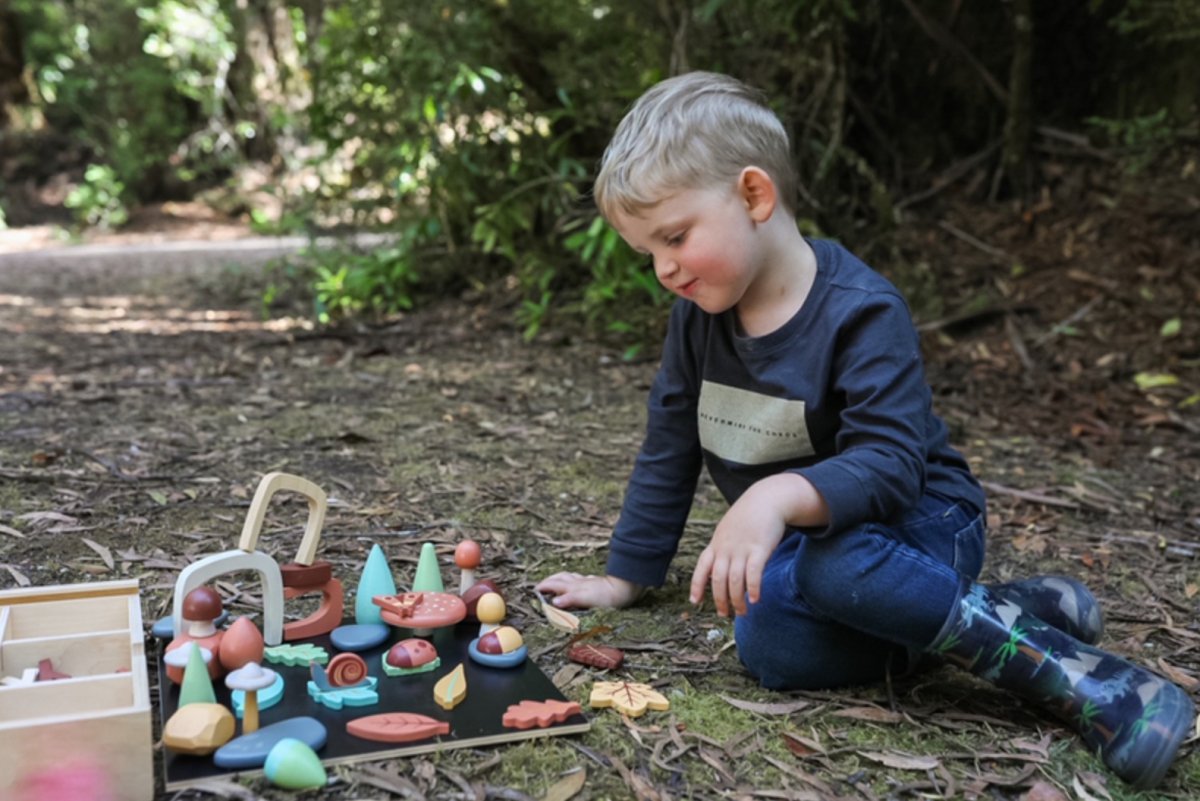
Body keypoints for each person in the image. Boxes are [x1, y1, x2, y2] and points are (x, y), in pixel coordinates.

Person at [535, 71, 1193, 789]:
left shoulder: (861, 310)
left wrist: (776, 495)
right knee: (768, 645)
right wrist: (626, 576)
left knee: (837, 566)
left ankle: (1089, 679)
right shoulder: (697, 322)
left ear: (754, 195)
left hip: (922, 520)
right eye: (648, 253)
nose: (663, 268)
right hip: (813, 552)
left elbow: (890, 464)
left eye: (675, 237)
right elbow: (670, 443)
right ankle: (1012, 606)